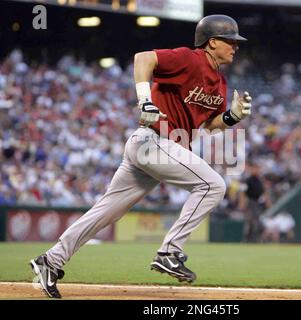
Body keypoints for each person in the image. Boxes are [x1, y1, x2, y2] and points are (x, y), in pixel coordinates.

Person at [29, 14, 252, 298]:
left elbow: (208, 124)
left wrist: (231, 117)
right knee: (213, 185)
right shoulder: (190, 59)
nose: (236, 46)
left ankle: (50, 260)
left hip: (158, 148)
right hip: (154, 140)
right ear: (212, 42)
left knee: (107, 211)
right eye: (230, 41)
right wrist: (144, 99)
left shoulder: (219, 82)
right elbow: (143, 58)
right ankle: (170, 251)